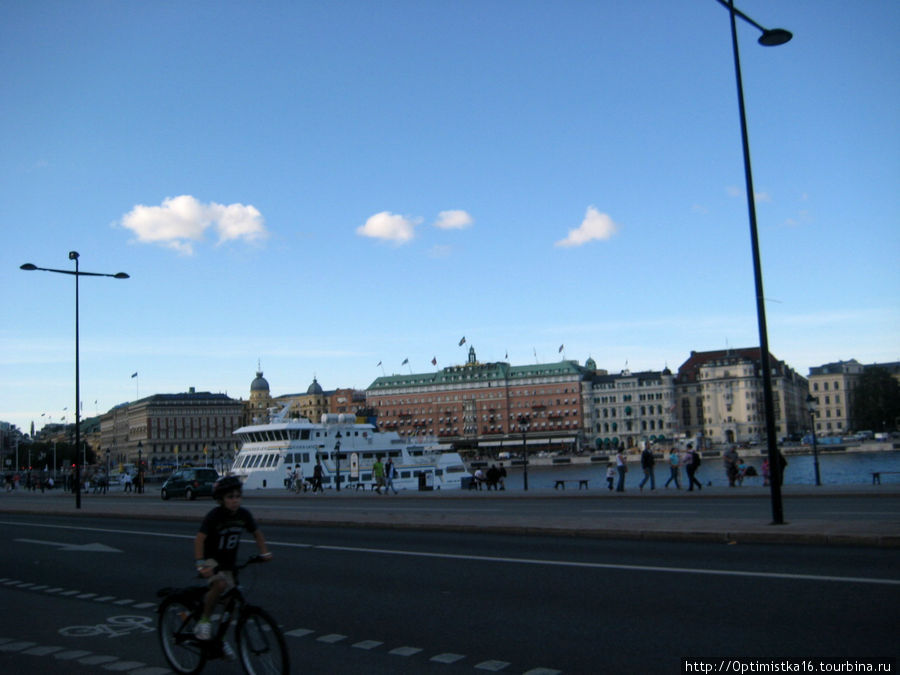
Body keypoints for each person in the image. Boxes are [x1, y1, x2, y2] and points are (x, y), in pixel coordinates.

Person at [193, 476, 271, 641]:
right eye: (230, 497)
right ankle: (204, 621)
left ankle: (218, 640)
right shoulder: (215, 516)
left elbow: (257, 533)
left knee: (231, 602)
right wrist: (200, 564)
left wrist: (264, 552)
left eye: (238, 496)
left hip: (229, 562)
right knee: (220, 584)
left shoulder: (243, 514)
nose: (235, 501)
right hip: (211, 560)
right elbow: (200, 539)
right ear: (221, 499)